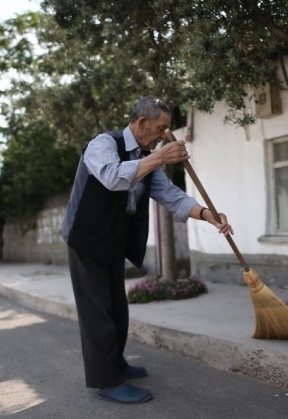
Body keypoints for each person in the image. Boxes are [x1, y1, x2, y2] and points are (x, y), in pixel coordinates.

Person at [59, 95, 233, 404]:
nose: (165, 135)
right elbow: (113, 178)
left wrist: (208, 214)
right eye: (161, 128)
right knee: (97, 313)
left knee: (117, 309)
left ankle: (117, 364)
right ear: (142, 123)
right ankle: (107, 382)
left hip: (112, 241)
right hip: (87, 240)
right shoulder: (103, 145)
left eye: (167, 130)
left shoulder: (146, 156)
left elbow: (171, 195)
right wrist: (161, 156)